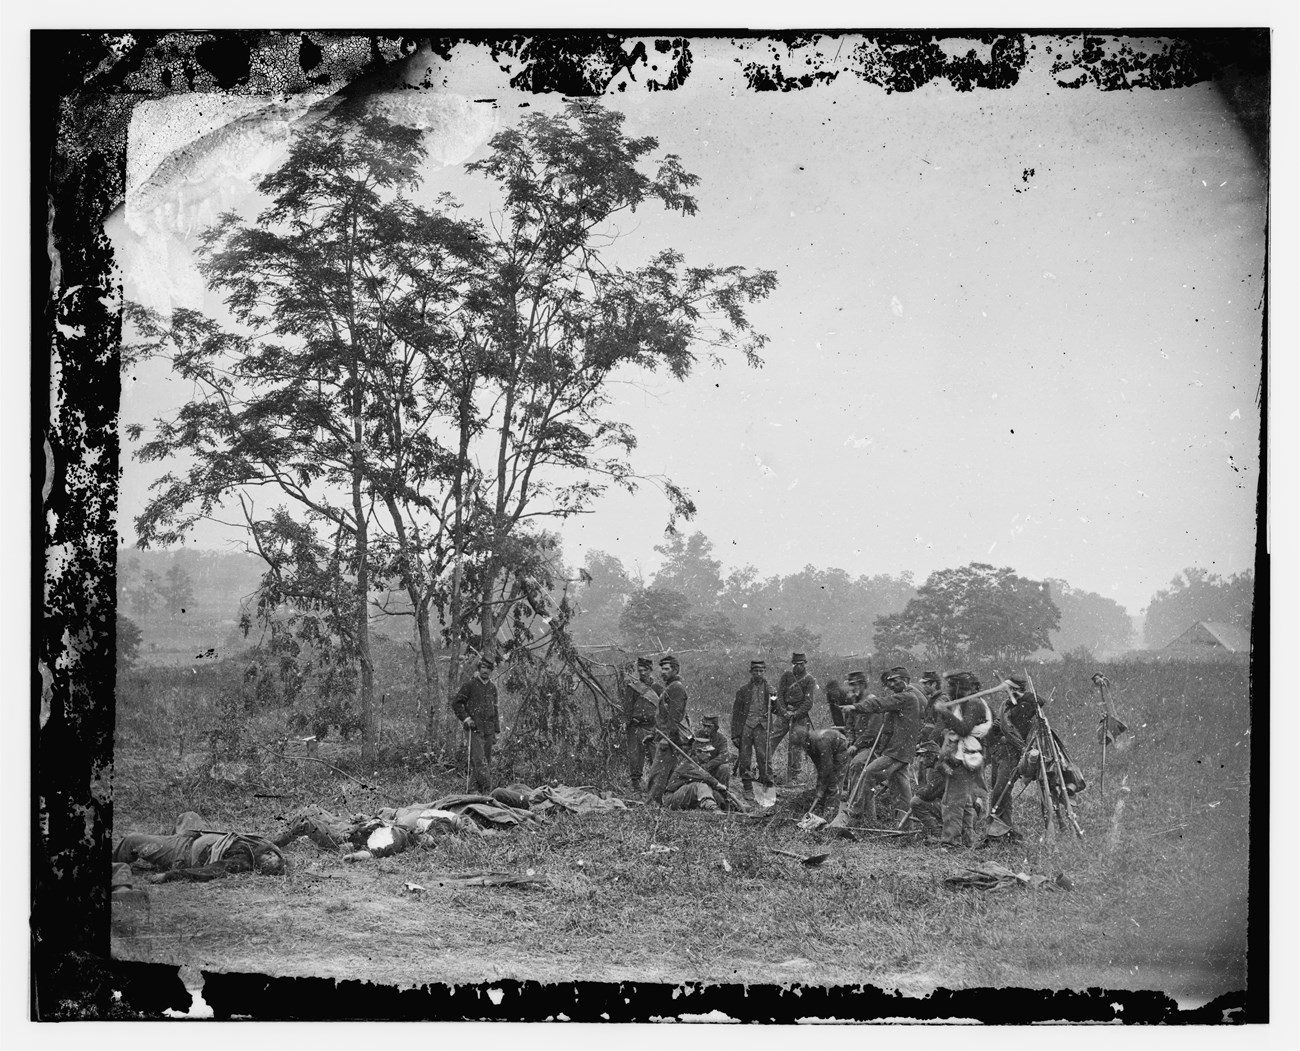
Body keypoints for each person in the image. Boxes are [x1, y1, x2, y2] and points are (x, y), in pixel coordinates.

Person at [842, 666, 924, 825]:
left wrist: (855, 707)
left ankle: (857, 811)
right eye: (889, 682)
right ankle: (907, 828)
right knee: (901, 791)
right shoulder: (901, 698)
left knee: (869, 773)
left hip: (897, 751)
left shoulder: (907, 697)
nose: (891, 684)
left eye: (895, 680)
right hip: (899, 751)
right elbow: (887, 727)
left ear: (906, 680)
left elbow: (881, 703)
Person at [114, 811, 287, 881]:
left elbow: (208, 872)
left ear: (259, 868)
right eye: (273, 856)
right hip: (195, 835)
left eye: (268, 863)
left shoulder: (241, 861)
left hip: (183, 852)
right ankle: (164, 843)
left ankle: (112, 866)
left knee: (132, 840)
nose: (270, 856)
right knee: (190, 815)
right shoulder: (257, 845)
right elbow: (282, 837)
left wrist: (168, 875)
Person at [935, 671, 994, 850]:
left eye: (952, 685)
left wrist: (945, 713)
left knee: (953, 802)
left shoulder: (974, 704)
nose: (948, 689)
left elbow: (963, 729)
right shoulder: (964, 703)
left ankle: (951, 842)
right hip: (961, 755)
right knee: (964, 801)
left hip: (966, 757)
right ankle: (969, 839)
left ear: (961, 686)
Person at [988, 673, 1039, 827]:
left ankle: (994, 828)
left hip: (1012, 754)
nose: (1005, 691)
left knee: (1000, 792)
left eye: (1009, 689)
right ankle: (1006, 828)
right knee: (1000, 791)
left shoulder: (1027, 706)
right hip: (999, 752)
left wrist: (1021, 747)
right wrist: (996, 728)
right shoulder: (1007, 705)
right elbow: (1004, 726)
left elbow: (1015, 731)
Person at [453, 656, 501, 794]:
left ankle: (473, 790)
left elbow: (495, 710)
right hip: (474, 730)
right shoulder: (470, 685)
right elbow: (456, 703)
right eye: (483, 667)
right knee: (479, 761)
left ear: (491, 671)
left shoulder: (493, 688)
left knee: (485, 761)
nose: (485, 671)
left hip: (489, 730)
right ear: (479, 669)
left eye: (488, 668)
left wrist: (496, 731)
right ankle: (488, 792)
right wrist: (466, 718)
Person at [647, 653, 691, 805]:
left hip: (670, 739)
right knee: (666, 771)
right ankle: (664, 802)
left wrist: (667, 738)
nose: (662, 672)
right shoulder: (670, 687)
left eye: (666, 669)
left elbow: (674, 718)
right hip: (665, 737)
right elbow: (662, 716)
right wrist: (653, 734)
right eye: (662, 669)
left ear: (675, 670)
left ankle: (653, 803)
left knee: (658, 772)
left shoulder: (676, 689)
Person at [730, 659, 777, 794]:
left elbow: (776, 709)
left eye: (761, 671)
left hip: (762, 727)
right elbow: (736, 714)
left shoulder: (770, 690)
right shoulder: (743, 690)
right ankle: (748, 787)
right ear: (751, 672)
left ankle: (768, 786)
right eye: (756, 671)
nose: (758, 673)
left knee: (764, 757)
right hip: (747, 727)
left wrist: (774, 697)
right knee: (745, 757)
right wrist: (735, 734)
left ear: (765, 672)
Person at [789, 722, 849, 819]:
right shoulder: (808, 744)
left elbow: (827, 768)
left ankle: (830, 813)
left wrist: (821, 788)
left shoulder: (821, 742)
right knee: (823, 781)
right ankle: (820, 806)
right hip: (829, 749)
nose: (802, 748)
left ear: (804, 739)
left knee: (834, 782)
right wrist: (820, 786)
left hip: (840, 748)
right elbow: (819, 766)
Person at [772, 652, 817, 780]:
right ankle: (764, 767)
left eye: (801, 664)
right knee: (772, 739)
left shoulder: (809, 679)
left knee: (796, 745)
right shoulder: (786, 676)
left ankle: (794, 775)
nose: (798, 667)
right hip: (784, 713)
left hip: (800, 716)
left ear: (805, 664)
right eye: (796, 664)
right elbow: (779, 695)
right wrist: (784, 711)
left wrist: (796, 713)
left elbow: (808, 702)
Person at [663, 733, 731, 811]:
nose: (709, 755)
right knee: (700, 786)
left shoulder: (699, 764)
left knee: (716, 794)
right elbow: (704, 776)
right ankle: (713, 808)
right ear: (697, 752)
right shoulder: (687, 765)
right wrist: (717, 784)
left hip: (685, 796)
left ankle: (729, 808)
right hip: (671, 799)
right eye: (706, 752)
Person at [623, 656, 663, 789]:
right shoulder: (633, 688)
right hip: (636, 727)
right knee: (635, 757)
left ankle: (655, 786)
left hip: (653, 727)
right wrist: (626, 723)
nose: (642, 673)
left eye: (645, 670)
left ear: (650, 670)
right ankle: (636, 785)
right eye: (640, 671)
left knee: (656, 758)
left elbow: (663, 709)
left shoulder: (658, 689)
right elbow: (627, 708)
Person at [698, 714, 733, 786]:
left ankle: (722, 793)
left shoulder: (721, 739)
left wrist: (708, 765)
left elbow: (723, 756)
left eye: (709, 727)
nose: (705, 729)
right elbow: (691, 751)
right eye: (704, 726)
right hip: (698, 767)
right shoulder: (698, 735)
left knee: (724, 768)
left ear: (715, 728)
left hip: (713, 769)